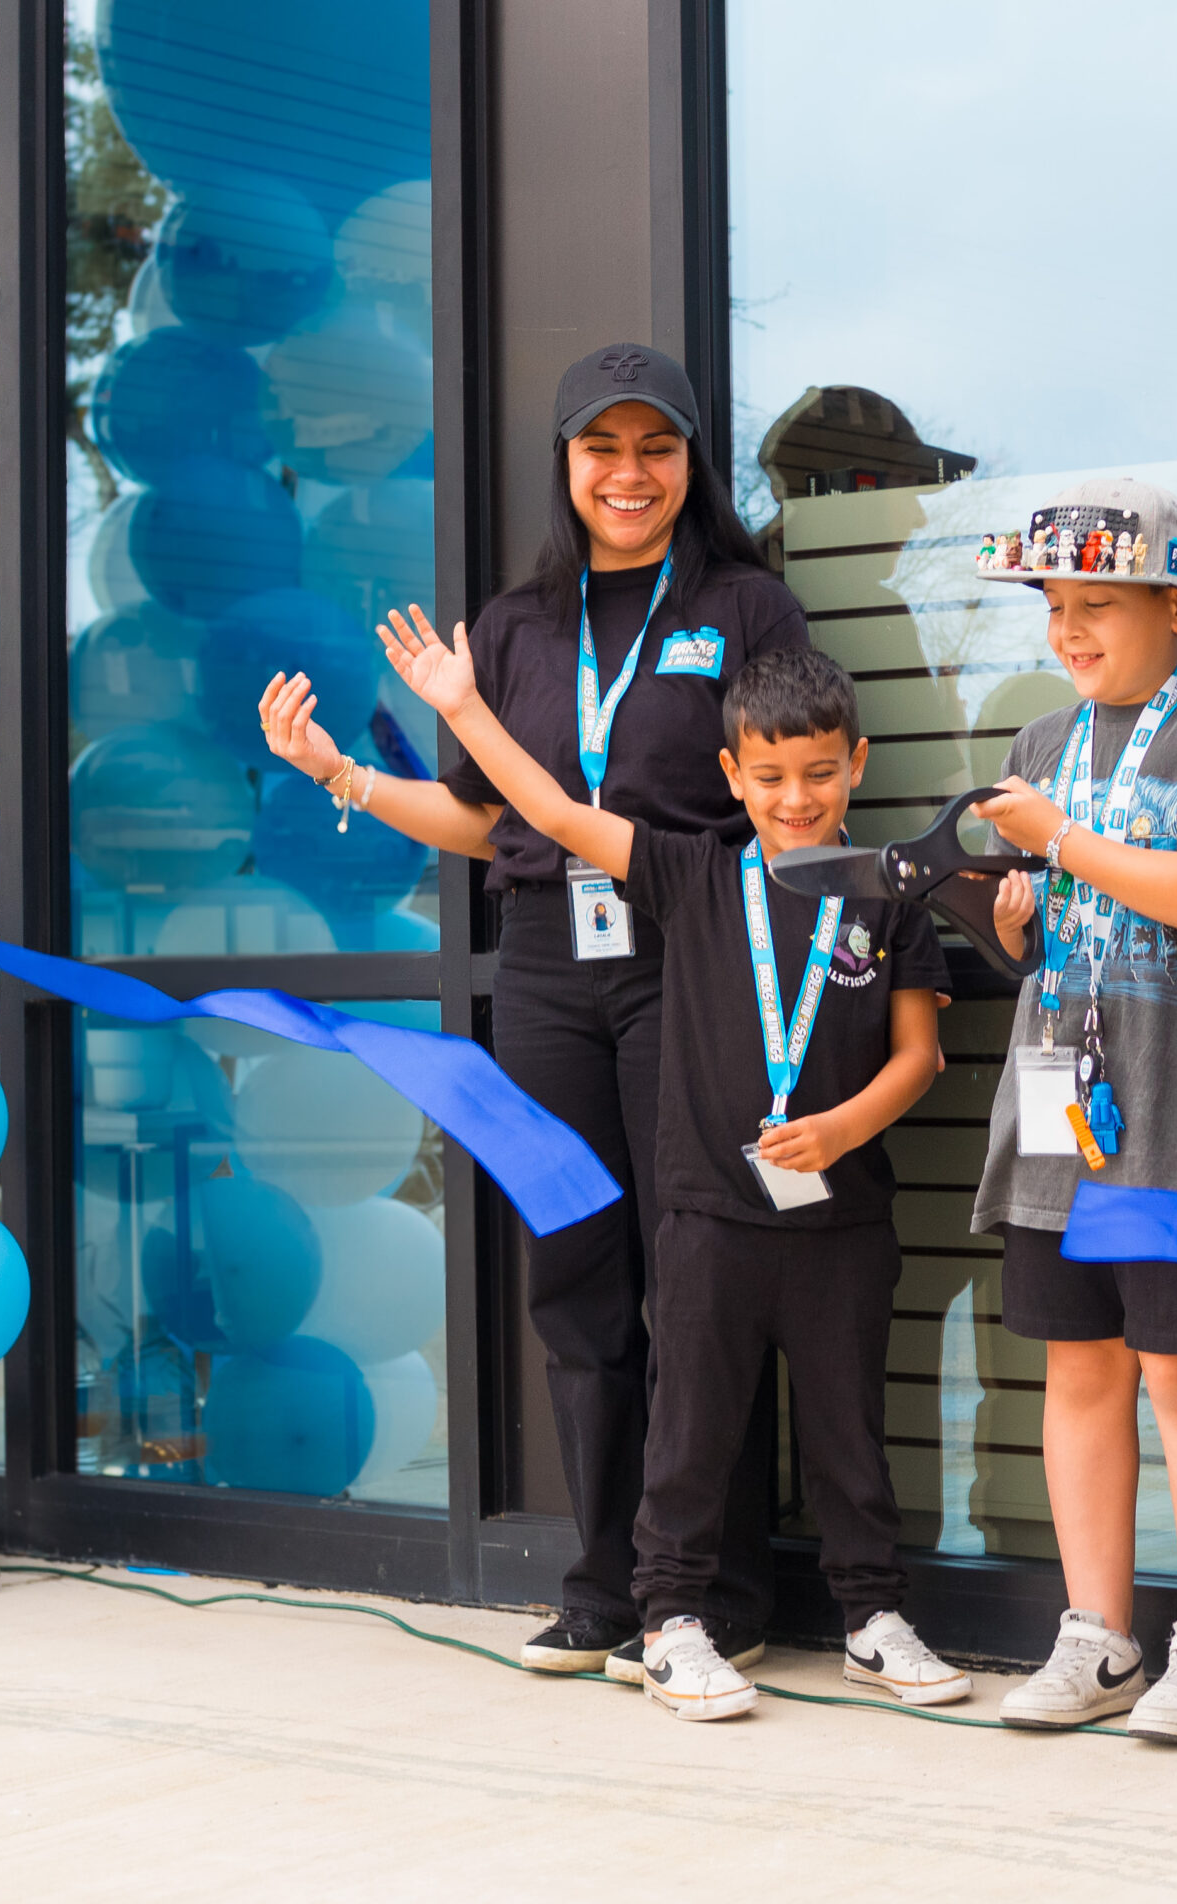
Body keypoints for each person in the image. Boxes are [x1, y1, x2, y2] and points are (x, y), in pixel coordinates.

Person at [258, 342, 803, 1679]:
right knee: (575, 1276)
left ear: (691, 462)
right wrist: (343, 773)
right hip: (551, 968)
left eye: (656, 447)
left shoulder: (743, 605)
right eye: (601, 449)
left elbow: (789, 794)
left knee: (698, 1274)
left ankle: (716, 1587)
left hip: (691, 952)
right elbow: (479, 817)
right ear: (564, 467)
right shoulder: (512, 625)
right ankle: (604, 1585)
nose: (630, 474)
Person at [379, 623, 966, 1720]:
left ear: (860, 764)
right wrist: (462, 710)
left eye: (821, 774)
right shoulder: (693, 873)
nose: (798, 798)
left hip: (842, 1223)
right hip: (706, 1218)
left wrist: (840, 1128)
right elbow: (550, 816)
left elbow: (919, 1054)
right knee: (689, 1431)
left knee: (850, 1434)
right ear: (731, 775)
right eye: (773, 776)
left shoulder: (887, 893)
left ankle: (871, 1618)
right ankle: (671, 1622)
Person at [959, 479, 1177, 1743]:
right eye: (1055, 607)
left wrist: (1062, 848)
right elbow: (1032, 938)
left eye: (1099, 604)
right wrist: (1009, 918)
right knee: (1077, 1365)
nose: (1069, 630)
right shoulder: (1040, 745)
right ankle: (1096, 1637)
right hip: (1056, 1103)